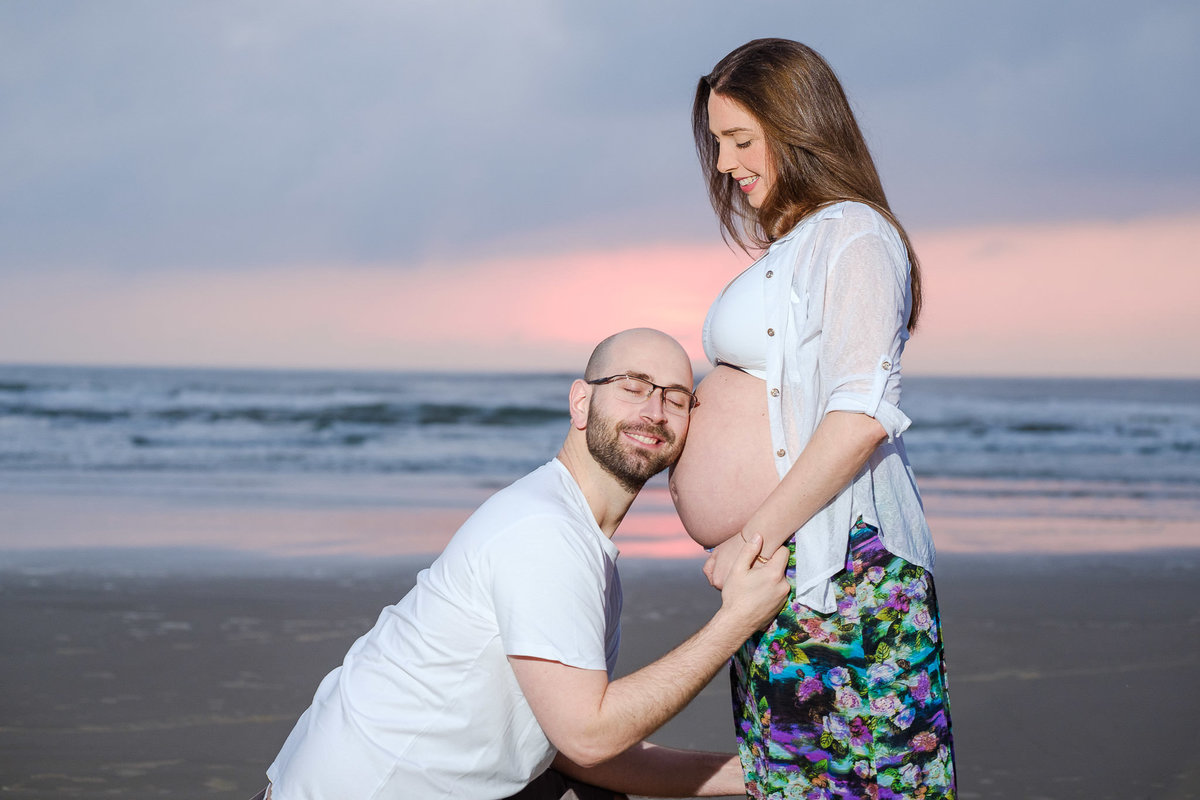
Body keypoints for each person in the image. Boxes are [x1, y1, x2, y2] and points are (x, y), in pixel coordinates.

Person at [259, 327, 791, 800]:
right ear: (581, 403)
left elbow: (571, 747)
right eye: (632, 386)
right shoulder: (544, 533)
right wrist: (735, 620)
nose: (654, 411)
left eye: (675, 398)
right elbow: (589, 737)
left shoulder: (575, 532)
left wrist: (755, 774)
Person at [668, 40, 957, 798]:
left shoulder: (854, 234)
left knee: (863, 784)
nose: (726, 163)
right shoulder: (799, 243)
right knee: (796, 782)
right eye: (718, 142)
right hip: (788, 574)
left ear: (796, 127)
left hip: (843, 574)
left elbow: (860, 416)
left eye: (740, 139)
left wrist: (751, 537)